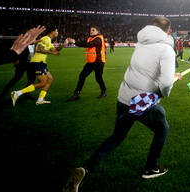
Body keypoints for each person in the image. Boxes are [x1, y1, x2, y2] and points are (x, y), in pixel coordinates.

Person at [63, 17, 181, 192]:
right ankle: (151, 168)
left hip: (124, 96)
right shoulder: (167, 50)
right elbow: (164, 84)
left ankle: (86, 169)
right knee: (162, 128)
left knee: (116, 137)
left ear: (151, 27)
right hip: (141, 101)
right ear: (169, 32)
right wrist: (166, 89)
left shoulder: (141, 43)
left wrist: (166, 82)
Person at [11, 27, 71, 106]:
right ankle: (17, 93)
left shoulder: (49, 41)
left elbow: (56, 50)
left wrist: (64, 44)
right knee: (42, 82)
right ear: (52, 31)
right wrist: (51, 52)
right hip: (37, 62)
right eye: (57, 31)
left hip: (41, 63)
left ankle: (40, 99)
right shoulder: (45, 38)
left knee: (50, 79)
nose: (57, 33)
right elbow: (39, 49)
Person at [67, 26, 107, 101]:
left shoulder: (98, 38)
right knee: (82, 76)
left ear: (97, 31)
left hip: (98, 62)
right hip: (91, 62)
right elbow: (84, 43)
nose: (91, 31)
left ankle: (104, 91)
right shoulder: (90, 38)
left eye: (93, 30)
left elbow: (90, 44)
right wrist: (75, 42)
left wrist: (75, 42)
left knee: (98, 78)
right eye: (90, 30)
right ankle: (77, 94)